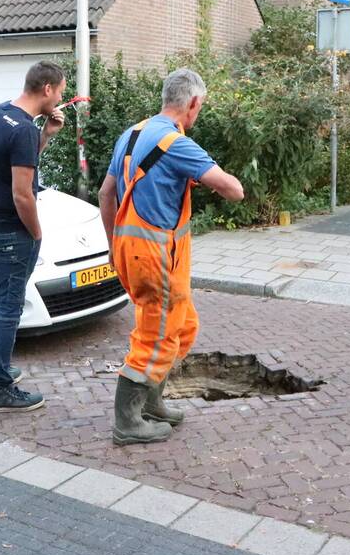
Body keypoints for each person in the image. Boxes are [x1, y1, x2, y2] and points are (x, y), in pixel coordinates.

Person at [98, 68, 244, 445]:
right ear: (192, 103)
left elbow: (106, 194)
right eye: (201, 108)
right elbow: (233, 191)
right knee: (158, 336)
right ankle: (127, 422)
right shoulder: (177, 144)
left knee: (183, 325)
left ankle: (151, 402)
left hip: (134, 249)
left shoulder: (130, 135)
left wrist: (114, 246)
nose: (199, 114)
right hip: (155, 253)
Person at [0, 61, 65, 413]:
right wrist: (36, 232)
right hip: (11, 230)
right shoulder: (22, 130)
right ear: (46, 90)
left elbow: (15, 164)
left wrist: (45, 136)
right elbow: (22, 193)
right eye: (60, 91)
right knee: (8, 307)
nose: (60, 98)